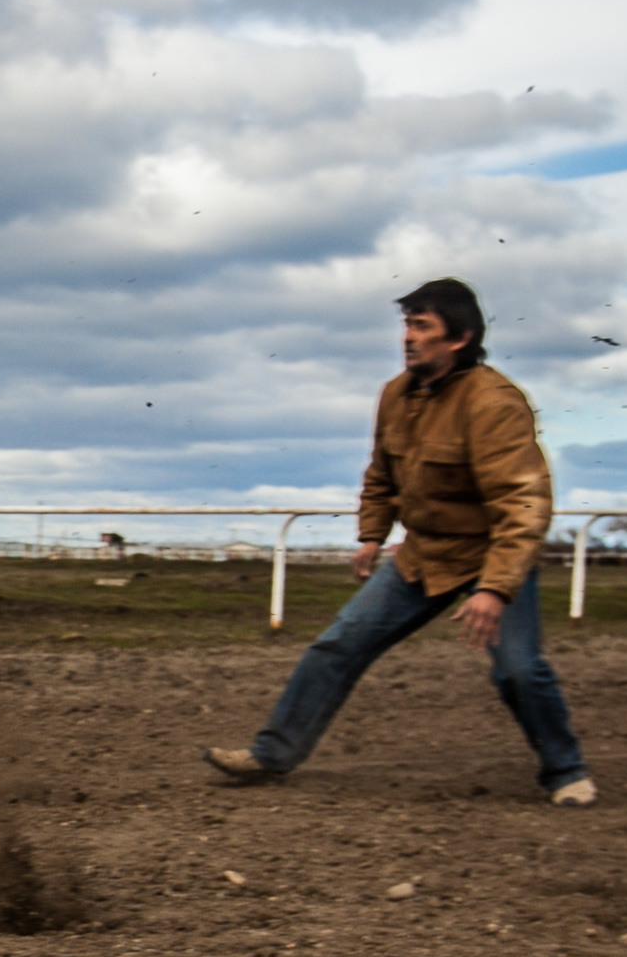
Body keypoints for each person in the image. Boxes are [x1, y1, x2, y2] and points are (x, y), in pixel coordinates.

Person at [204, 278, 593, 804]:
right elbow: (382, 474)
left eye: (421, 326)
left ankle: (567, 773)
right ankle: (271, 755)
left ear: (459, 338)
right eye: (406, 325)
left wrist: (495, 590)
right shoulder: (395, 394)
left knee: (519, 670)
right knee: (337, 646)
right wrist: (371, 535)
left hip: (494, 557)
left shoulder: (494, 403)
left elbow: (523, 505)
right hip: (423, 555)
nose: (408, 337)